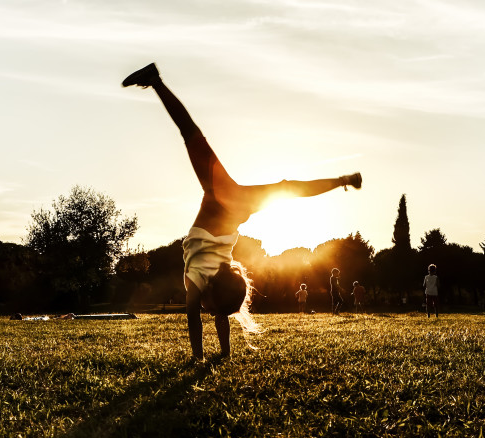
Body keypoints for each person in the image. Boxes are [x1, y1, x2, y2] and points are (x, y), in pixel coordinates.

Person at [122, 63, 362, 359]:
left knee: (288, 190)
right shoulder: (197, 280)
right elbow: (193, 317)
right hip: (219, 199)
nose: (209, 312)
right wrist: (197, 358)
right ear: (210, 293)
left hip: (238, 209)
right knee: (192, 135)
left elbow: (216, 314)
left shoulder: (224, 276)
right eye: (212, 307)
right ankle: (155, 81)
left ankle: (343, 180)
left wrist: (224, 355)